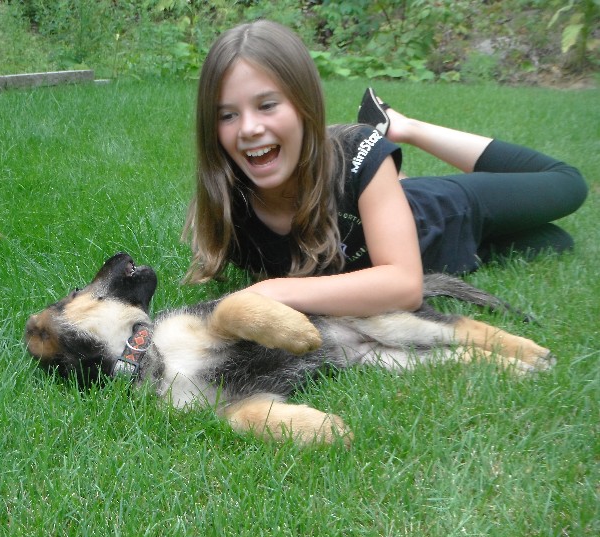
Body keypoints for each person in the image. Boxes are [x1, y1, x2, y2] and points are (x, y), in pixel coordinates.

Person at [182, 20, 587, 318]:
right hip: (447, 251)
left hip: (450, 210)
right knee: (557, 243)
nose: (250, 128)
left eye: (267, 105)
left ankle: (401, 126)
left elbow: (405, 287)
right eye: (227, 115)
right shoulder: (232, 210)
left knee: (569, 186)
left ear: (305, 106)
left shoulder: (355, 152)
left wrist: (273, 291)